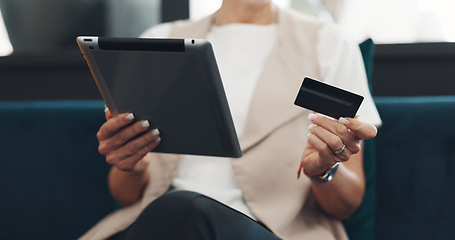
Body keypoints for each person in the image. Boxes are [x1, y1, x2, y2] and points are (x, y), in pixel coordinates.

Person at [80, 0, 381, 239]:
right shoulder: (159, 39)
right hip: (156, 224)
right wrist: (130, 164)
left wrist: (323, 171)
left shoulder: (328, 43)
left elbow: (347, 204)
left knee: (183, 208)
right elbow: (125, 194)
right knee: (175, 212)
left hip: (273, 230)